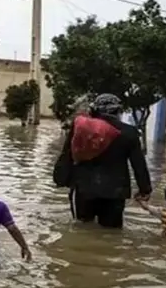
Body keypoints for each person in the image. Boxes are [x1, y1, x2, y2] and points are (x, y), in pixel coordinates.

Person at [53, 93, 152, 229]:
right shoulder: (129, 132)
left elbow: (67, 155)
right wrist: (144, 189)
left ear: (95, 110)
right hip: (115, 192)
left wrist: (61, 178)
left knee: (81, 229)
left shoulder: (81, 129)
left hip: (84, 189)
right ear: (118, 111)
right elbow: (139, 165)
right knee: (112, 233)